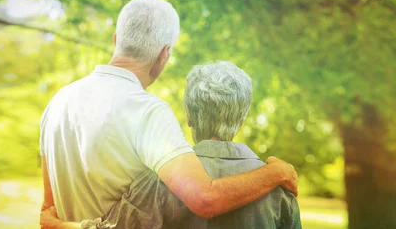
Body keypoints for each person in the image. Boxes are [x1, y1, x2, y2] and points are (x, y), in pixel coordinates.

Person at [39, 0, 298, 227]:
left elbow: (47, 212)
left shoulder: (57, 103)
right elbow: (206, 199)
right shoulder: (146, 110)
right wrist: (276, 173)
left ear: (116, 39)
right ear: (164, 54)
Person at [41, 61, 302, 229]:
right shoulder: (280, 190)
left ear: (188, 115)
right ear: (242, 117)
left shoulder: (158, 181)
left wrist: (59, 225)